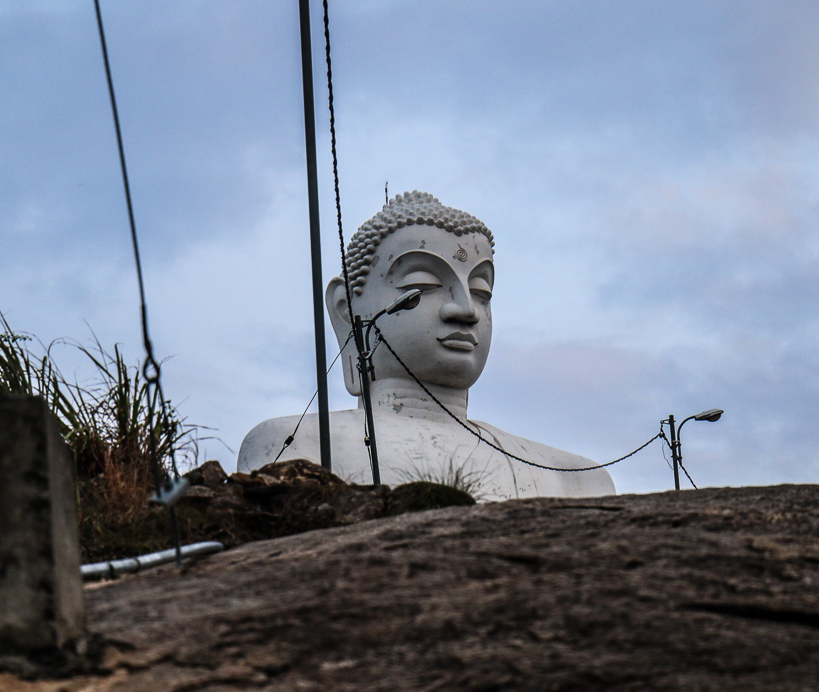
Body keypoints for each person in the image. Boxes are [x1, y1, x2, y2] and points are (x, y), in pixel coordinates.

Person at [238, 191, 615, 499]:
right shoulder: (301, 446)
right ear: (345, 311)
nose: (465, 309)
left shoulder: (577, 478)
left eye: (482, 291)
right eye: (422, 285)